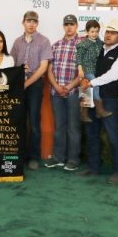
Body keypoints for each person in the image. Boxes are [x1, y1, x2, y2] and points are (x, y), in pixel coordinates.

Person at [79, 19, 118, 184]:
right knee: (91, 133)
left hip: (109, 98)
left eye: (113, 33)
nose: (108, 35)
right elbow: (86, 66)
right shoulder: (98, 48)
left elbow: (113, 76)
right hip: (90, 93)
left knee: (112, 134)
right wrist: (85, 85)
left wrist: (91, 83)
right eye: (107, 32)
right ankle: (93, 167)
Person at [10, 10, 53, 171]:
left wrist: (26, 83)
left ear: (37, 24)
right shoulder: (17, 42)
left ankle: (34, 157)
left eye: (34, 21)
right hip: (18, 84)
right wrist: (19, 71)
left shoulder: (44, 41)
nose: (31, 24)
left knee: (34, 121)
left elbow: (43, 68)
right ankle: (20, 156)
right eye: (29, 21)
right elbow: (11, 63)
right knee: (19, 121)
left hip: (34, 84)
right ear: (23, 22)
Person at [46, 14, 82, 171]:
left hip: (73, 92)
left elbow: (83, 72)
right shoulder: (55, 45)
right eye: (66, 24)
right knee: (59, 126)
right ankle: (58, 157)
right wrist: (56, 86)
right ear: (63, 26)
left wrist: (68, 87)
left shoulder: (82, 45)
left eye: (72, 24)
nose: (69, 27)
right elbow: (49, 70)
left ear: (76, 26)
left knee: (73, 127)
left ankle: (73, 159)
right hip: (56, 93)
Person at [76, 19, 108, 121]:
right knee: (95, 86)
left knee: (87, 90)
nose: (94, 34)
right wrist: (80, 69)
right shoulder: (83, 44)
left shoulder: (100, 43)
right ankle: (99, 109)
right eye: (92, 31)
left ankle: (84, 114)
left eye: (97, 31)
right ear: (87, 31)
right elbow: (78, 58)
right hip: (87, 69)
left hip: (96, 70)